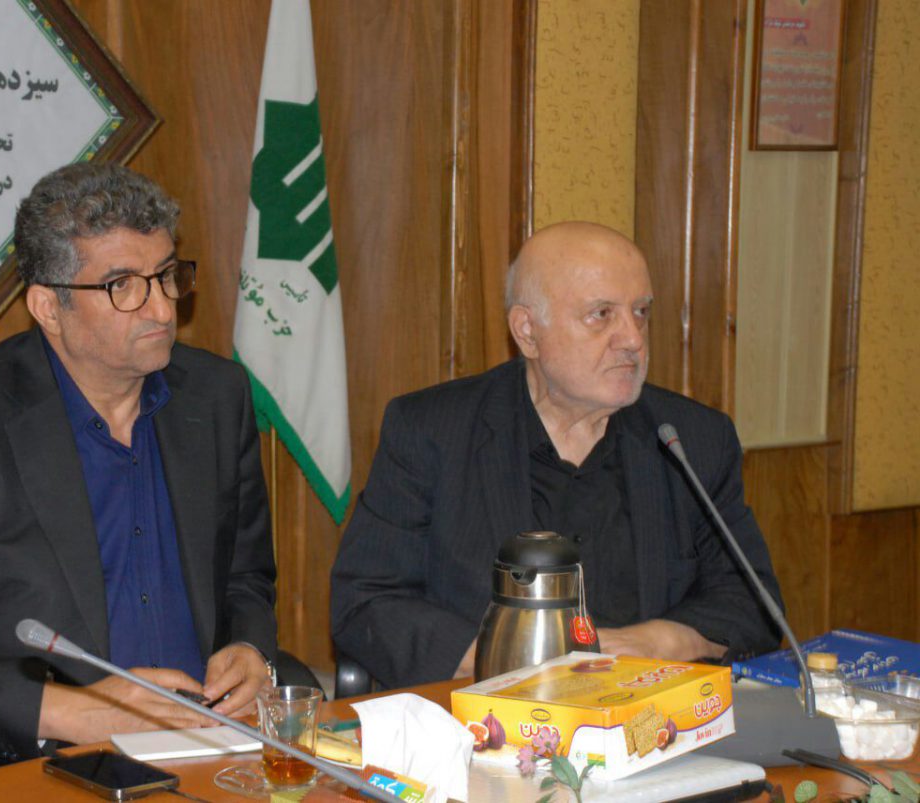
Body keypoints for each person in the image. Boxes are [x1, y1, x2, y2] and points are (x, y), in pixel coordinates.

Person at [0, 163, 277, 786]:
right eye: (123, 286)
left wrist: (251, 650)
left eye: (167, 276)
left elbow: (245, 576)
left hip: (207, 755)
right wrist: (74, 713)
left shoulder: (216, 395)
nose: (162, 307)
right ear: (49, 306)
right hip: (17, 766)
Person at [330, 221, 783, 690]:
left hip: (650, 715)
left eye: (641, 312)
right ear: (527, 331)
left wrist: (661, 641)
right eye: (601, 314)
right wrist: (507, 658)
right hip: (484, 715)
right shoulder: (433, 432)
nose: (632, 338)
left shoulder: (692, 440)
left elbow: (753, 603)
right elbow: (366, 599)